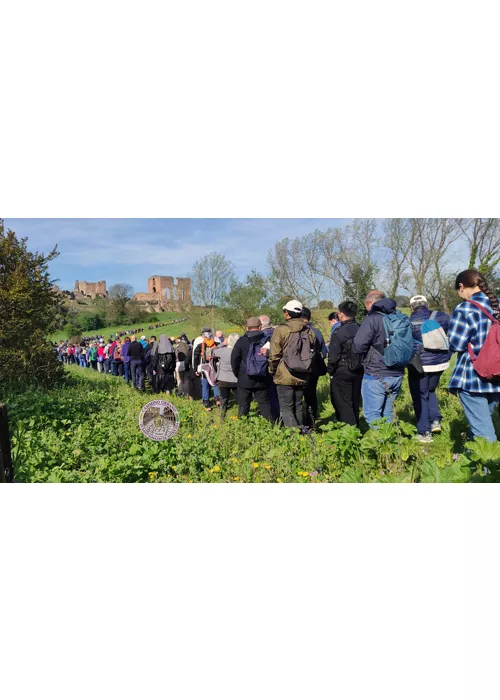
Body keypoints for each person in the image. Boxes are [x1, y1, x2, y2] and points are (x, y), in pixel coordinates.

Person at [448, 269, 500, 442]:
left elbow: (457, 343)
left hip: (473, 377)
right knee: (482, 423)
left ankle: (491, 467)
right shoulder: (497, 305)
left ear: (462, 287)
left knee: (484, 434)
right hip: (496, 376)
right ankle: (472, 463)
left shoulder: (465, 308)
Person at [352, 291, 406, 426]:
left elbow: (358, 345)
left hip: (376, 373)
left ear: (371, 303)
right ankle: (391, 443)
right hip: (397, 373)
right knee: (387, 413)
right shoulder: (399, 317)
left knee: (372, 414)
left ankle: (381, 444)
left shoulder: (373, 318)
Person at [408, 295, 450, 443]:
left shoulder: (409, 322)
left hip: (420, 364)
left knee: (421, 395)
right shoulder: (443, 316)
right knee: (430, 390)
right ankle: (435, 421)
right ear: (427, 304)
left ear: (412, 307)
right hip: (441, 363)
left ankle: (424, 432)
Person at [269, 300, 316, 429]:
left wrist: (272, 370)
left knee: (286, 407)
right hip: (303, 373)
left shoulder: (281, 330)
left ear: (287, 314)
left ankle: (295, 436)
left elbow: (274, 355)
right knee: (299, 405)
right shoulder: (309, 331)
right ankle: (302, 431)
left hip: (285, 375)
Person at [328, 300, 363, 426]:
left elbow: (333, 357)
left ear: (341, 314)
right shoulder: (362, 328)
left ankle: (350, 431)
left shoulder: (339, 333)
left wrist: (331, 371)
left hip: (342, 371)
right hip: (359, 369)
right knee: (355, 400)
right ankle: (356, 425)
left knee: (343, 403)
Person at [231, 318, 272, 421]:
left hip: (244, 378)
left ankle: (242, 425)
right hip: (262, 377)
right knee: (264, 403)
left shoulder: (241, 341)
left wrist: (238, 374)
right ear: (260, 327)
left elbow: (234, 360)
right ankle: (271, 425)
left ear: (247, 327)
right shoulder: (266, 339)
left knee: (243, 404)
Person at [301, 307, 327, 427]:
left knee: (297, 397)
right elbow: (324, 352)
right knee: (311, 396)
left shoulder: (297, 331)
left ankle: (299, 423)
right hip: (314, 369)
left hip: (298, 370)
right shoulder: (317, 332)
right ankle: (311, 422)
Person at [213, 333, 240, 419]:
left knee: (224, 399)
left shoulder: (222, 351)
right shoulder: (239, 351)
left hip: (223, 379)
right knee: (240, 399)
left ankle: (222, 417)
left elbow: (213, 350)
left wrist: (223, 343)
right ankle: (242, 415)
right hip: (236, 379)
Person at [193, 328, 220, 409]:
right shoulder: (216, 343)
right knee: (215, 383)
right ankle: (217, 399)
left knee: (205, 384)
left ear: (203, 334)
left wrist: (195, 369)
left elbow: (195, 357)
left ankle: (206, 402)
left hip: (204, 367)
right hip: (214, 367)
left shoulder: (199, 344)